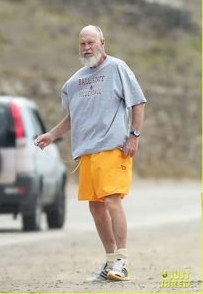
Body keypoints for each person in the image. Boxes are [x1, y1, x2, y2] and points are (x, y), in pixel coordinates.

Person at [34, 25, 147, 282]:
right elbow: (73, 117)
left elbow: (138, 101)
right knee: (96, 208)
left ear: (102, 43)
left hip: (113, 148)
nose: (87, 48)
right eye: (82, 44)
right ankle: (109, 263)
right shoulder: (74, 82)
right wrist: (51, 135)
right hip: (87, 152)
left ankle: (122, 260)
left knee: (111, 200)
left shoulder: (118, 68)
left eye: (91, 42)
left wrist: (134, 135)